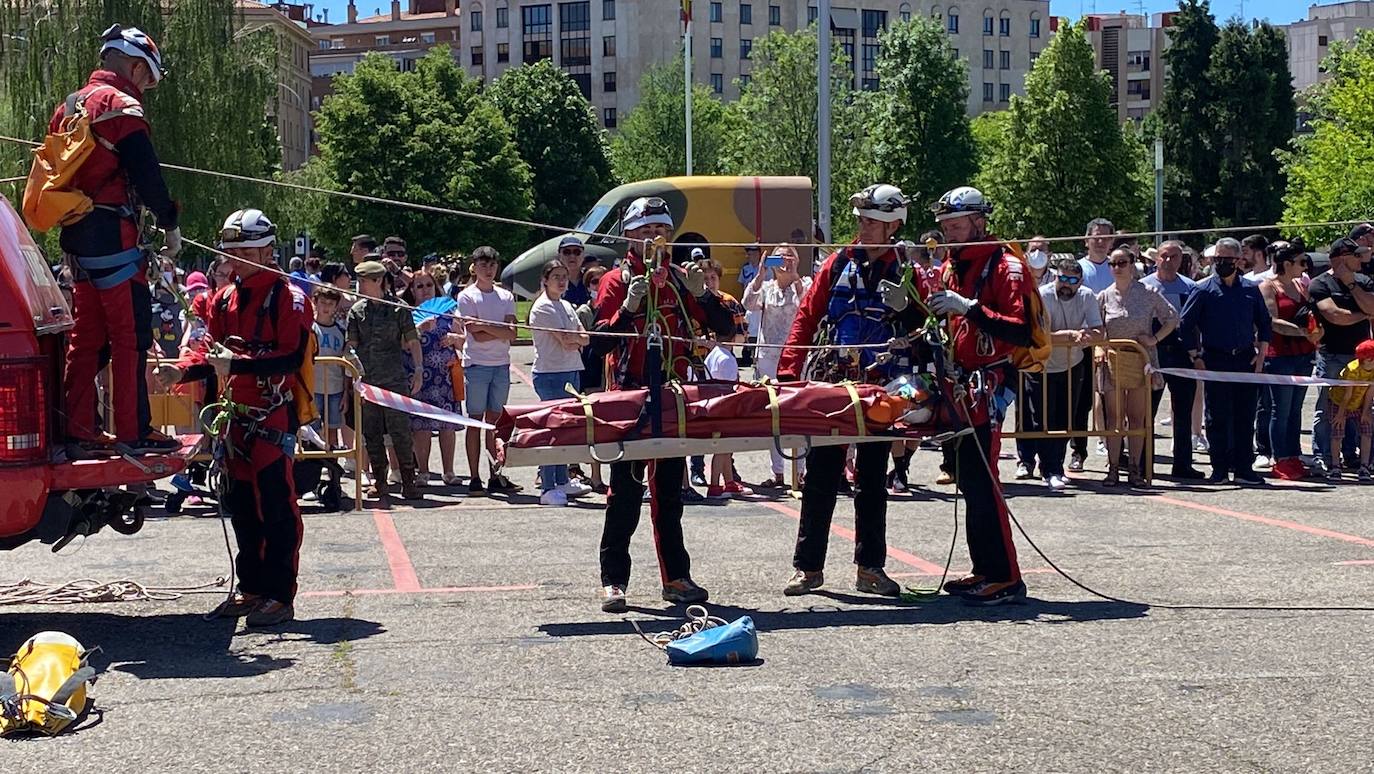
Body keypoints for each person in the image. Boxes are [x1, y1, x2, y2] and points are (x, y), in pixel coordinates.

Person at [154, 209, 310, 627]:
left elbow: (291, 357)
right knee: (241, 505)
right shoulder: (224, 299)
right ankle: (252, 587)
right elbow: (210, 353)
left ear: (265, 252)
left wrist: (235, 366)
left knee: (276, 505)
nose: (233, 259)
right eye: (230, 252)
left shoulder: (289, 298)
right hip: (234, 418)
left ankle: (280, 593)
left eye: (242, 251)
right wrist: (180, 371)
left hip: (270, 415)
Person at [777, 183, 925, 600]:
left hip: (883, 385)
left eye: (871, 221)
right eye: (860, 220)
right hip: (836, 382)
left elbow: (929, 324)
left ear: (893, 225)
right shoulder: (838, 263)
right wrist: (789, 374)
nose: (862, 226)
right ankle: (808, 568)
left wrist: (909, 305)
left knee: (873, 478)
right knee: (822, 474)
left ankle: (870, 568)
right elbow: (807, 317)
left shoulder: (909, 270)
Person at [592, 196, 736, 613]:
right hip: (629, 396)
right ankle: (614, 581)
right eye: (644, 232)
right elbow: (599, 341)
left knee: (669, 492)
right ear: (629, 238)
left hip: (672, 396)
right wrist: (628, 308)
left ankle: (676, 577)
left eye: (660, 231)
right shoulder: (617, 281)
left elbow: (725, 328)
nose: (654, 239)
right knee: (624, 492)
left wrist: (704, 296)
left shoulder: (678, 278)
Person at [57, 25, 180, 455]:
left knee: (86, 337)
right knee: (129, 337)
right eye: (147, 76)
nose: (146, 87)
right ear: (133, 66)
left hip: (75, 237)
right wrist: (170, 222)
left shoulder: (70, 105)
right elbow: (147, 175)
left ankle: (78, 431)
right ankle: (133, 431)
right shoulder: (122, 106)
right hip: (114, 237)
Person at [915, 186, 1033, 605]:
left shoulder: (1006, 267)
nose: (949, 233)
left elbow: (1021, 329)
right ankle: (985, 568)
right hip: (959, 384)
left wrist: (969, 308)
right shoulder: (952, 266)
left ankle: (1006, 576)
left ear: (979, 222)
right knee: (968, 480)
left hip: (990, 383)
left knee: (985, 481)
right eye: (945, 226)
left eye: (957, 225)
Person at [1179, 238, 1272, 485]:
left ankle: (1244, 468)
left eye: (1227, 260)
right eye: (1217, 260)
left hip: (1245, 360)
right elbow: (1185, 325)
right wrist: (1194, 355)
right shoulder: (1203, 290)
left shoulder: (1250, 289)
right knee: (1216, 417)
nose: (1221, 264)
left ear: (1239, 260)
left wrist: (1261, 355)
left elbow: (1264, 323)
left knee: (1245, 415)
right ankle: (1218, 468)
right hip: (1215, 360)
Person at [1097, 247, 1179, 487]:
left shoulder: (1149, 292)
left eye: (1122, 262)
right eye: (1113, 264)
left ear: (1132, 264)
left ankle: (1135, 468)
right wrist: (1100, 348)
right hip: (1112, 361)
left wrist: (1155, 339)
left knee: (1137, 418)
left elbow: (1172, 317)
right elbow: (1097, 328)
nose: (1117, 268)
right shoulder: (1103, 296)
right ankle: (1113, 468)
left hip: (1141, 359)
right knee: (1113, 418)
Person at [1019, 258, 1102, 491]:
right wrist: (1063, 336)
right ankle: (1045, 466)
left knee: (1065, 419)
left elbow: (1099, 330)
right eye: (1062, 278)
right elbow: (1033, 334)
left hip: (1072, 364)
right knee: (1042, 420)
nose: (1066, 284)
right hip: (1040, 365)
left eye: (1072, 280)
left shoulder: (1087, 296)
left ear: (1080, 281)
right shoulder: (1042, 295)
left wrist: (1087, 335)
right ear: (1055, 277)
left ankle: (1055, 467)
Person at [347, 260, 424, 503]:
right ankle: (379, 481)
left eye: (362, 281)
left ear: (378, 281)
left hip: (394, 381)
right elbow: (351, 345)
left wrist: (419, 369)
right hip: (367, 382)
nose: (358, 285)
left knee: (400, 432)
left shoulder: (399, 309)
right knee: (372, 434)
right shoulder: (357, 312)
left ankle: (408, 480)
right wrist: (350, 363)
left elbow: (412, 341)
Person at [742, 243, 812, 489]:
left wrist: (794, 278)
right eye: (778, 258)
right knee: (774, 415)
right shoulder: (767, 289)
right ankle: (778, 472)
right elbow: (747, 303)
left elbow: (809, 304)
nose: (784, 262)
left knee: (799, 413)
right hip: (768, 358)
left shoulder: (805, 283)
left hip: (795, 358)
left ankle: (801, 472)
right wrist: (761, 274)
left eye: (789, 257)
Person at [1309, 237, 1374, 475]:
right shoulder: (1320, 284)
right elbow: (1334, 315)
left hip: (1363, 359)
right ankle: (1323, 456)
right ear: (1340, 258)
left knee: (1364, 408)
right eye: (1355, 255)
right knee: (1327, 409)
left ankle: (1357, 457)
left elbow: (1373, 307)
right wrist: (1363, 314)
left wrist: (1352, 286)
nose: (1361, 259)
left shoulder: (1363, 281)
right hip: (1332, 355)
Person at [457, 246, 520, 494]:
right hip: (476, 366)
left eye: (492, 265)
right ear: (474, 267)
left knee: (495, 423)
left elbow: (512, 333)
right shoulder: (467, 296)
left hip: (500, 366)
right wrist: (497, 330)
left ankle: (496, 474)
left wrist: (487, 327)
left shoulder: (506, 296)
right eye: (483, 265)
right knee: (475, 421)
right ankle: (474, 476)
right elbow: (474, 333)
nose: (489, 269)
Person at [529, 259, 591, 506]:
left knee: (566, 429)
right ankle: (547, 486)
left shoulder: (566, 305)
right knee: (552, 429)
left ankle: (563, 479)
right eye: (556, 276)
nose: (562, 280)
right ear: (545, 280)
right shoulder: (542, 308)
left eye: (564, 276)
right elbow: (566, 341)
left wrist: (575, 339)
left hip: (572, 369)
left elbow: (585, 338)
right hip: (550, 373)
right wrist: (575, 339)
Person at [1142, 241, 1205, 480]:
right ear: (1156, 258)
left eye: (1174, 257)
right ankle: (1142, 462)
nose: (1168, 261)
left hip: (1182, 354)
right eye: (1164, 256)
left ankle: (1183, 464)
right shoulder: (1144, 287)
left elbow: (1196, 325)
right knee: (1147, 410)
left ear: (1182, 259)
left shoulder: (1190, 287)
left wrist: (1197, 354)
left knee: (1183, 412)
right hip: (1153, 354)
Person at [1259, 241, 1321, 480]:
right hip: (1280, 356)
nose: (1305, 267)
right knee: (1280, 409)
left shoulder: (1300, 284)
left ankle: (1293, 456)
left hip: (1303, 355)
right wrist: (1302, 331)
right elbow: (1272, 320)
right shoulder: (1268, 286)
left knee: (1295, 410)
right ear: (1287, 264)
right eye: (1301, 262)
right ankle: (1280, 458)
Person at [401, 267, 464, 486]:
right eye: (420, 286)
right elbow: (401, 345)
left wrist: (455, 338)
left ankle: (449, 472)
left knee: (447, 425)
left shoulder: (448, 311)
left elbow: (463, 339)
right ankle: (424, 472)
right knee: (421, 427)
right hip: (419, 377)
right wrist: (419, 329)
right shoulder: (407, 315)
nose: (425, 290)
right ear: (413, 290)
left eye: (429, 285)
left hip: (445, 376)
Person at [699, 258, 751, 500]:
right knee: (721, 437)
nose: (709, 282)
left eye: (713, 277)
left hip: (722, 356)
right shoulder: (695, 303)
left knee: (726, 437)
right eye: (705, 278)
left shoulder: (730, 302)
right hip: (712, 372)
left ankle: (729, 481)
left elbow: (742, 335)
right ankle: (715, 483)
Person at [1327, 340, 1374, 481]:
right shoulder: (1352, 370)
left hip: (1360, 403)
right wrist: (1341, 415)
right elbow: (1347, 396)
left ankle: (1364, 466)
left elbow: (1370, 392)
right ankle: (1336, 466)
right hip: (1340, 402)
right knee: (1337, 432)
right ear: (1368, 359)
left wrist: (1366, 412)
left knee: (1367, 431)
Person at [311, 286, 348, 450]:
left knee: (333, 428)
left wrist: (346, 392)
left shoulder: (341, 331)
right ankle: (315, 464)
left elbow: (346, 364)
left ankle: (332, 464)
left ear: (336, 306)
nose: (326, 307)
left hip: (335, 388)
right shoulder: (309, 328)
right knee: (312, 428)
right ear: (315, 303)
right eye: (322, 302)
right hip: (313, 387)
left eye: (330, 303)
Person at [738, 242, 763, 368]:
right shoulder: (745, 269)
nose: (750, 255)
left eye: (752, 253)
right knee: (747, 328)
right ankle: (746, 354)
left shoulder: (765, 269)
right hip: (747, 302)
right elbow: (742, 284)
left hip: (759, 304)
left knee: (756, 329)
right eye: (749, 253)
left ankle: (754, 355)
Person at [557, 235, 591, 307]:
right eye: (567, 252)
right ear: (559, 256)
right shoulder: (553, 281)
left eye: (577, 252)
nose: (572, 256)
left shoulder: (591, 278)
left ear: (583, 256)